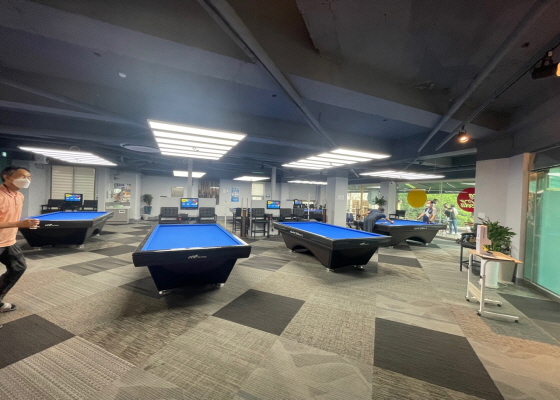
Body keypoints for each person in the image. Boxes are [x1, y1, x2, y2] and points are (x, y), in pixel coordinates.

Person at [0, 166, 40, 320]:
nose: (27, 180)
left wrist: (24, 223)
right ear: (6, 177)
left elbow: (10, 218)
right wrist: (19, 224)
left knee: (18, 268)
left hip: (9, 241)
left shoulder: (20, 196)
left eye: (29, 177)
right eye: (23, 176)